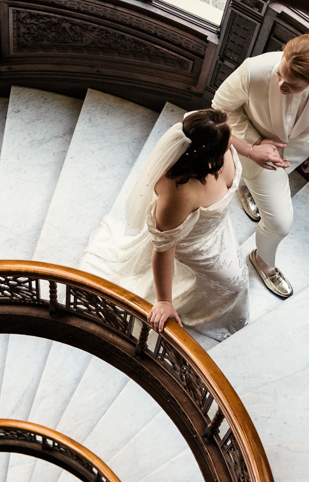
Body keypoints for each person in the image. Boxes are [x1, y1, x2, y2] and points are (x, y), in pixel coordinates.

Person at [80, 109, 248, 338]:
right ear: (209, 155)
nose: (233, 139)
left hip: (219, 228)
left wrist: (255, 153)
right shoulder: (179, 193)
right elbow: (164, 248)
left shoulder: (203, 126)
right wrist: (164, 301)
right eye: (228, 138)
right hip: (196, 244)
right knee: (232, 283)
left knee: (233, 280)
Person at [212, 33, 309, 299]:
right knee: (280, 224)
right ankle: (263, 260)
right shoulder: (255, 69)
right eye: (280, 75)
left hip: (298, 152)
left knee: (262, 195)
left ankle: (245, 188)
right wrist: (254, 145)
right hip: (255, 150)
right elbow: (219, 109)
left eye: (292, 85)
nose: (280, 85)